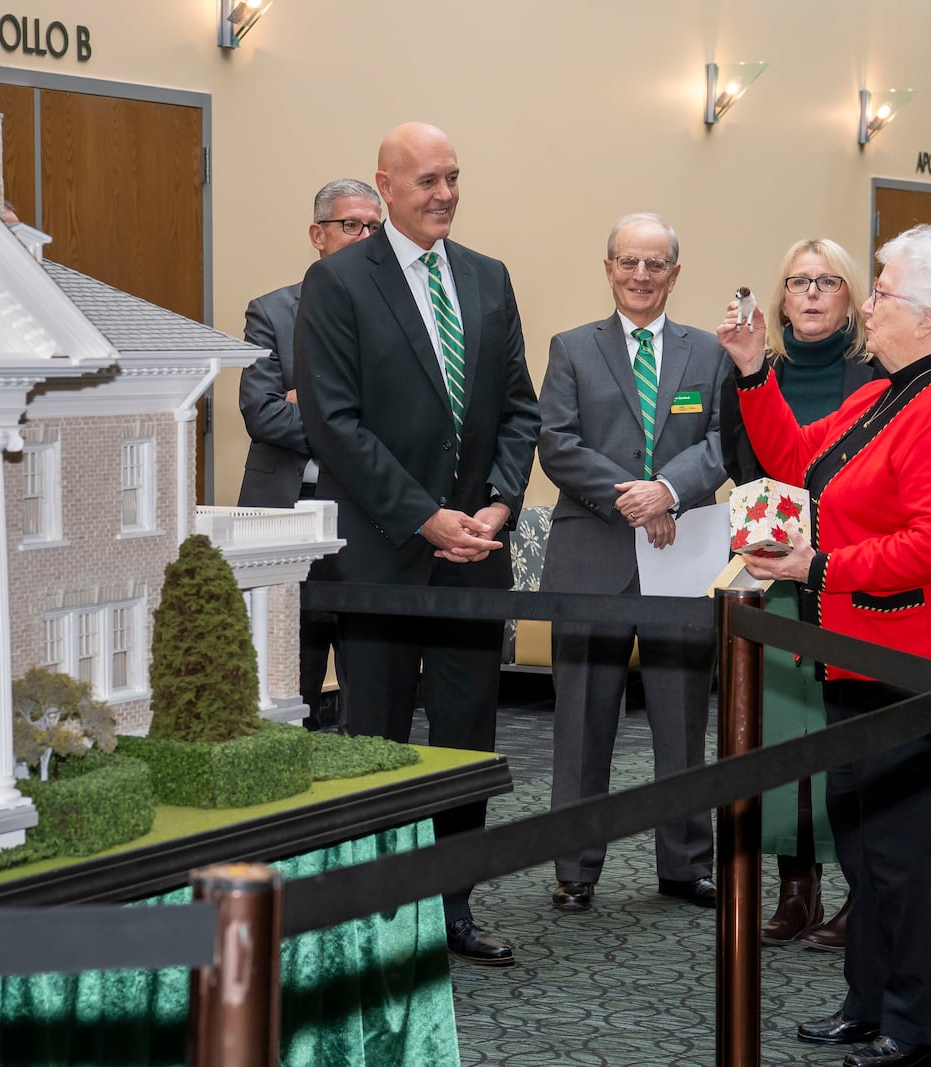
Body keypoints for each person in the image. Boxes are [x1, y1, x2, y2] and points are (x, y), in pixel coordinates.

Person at [717, 224, 931, 1067]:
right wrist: (752, 369)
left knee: (905, 854)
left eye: (881, 289)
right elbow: (797, 458)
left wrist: (822, 563)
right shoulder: (888, 390)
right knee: (863, 839)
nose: (870, 301)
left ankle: (919, 1024)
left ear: (924, 314)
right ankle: (869, 997)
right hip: (862, 652)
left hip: (923, 661)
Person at [293, 123, 540, 967]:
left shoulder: (488, 278)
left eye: (454, 178)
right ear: (386, 184)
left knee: (468, 741)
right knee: (379, 742)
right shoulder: (337, 285)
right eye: (428, 178)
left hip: (479, 555)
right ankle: (381, 916)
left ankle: (451, 908)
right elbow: (335, 423)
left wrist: (499, 508)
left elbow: (518, 410)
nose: (444, 193)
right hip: (382, 560)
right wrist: (424, 516)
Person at [537, 213, 731, 914]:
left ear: (675, 273)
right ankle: (576, 868)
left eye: (655, 265)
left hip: (682, 557)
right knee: (582, 720)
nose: (641, 276)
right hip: (592, 554)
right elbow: (556, 444)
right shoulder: (571, 349)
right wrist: (636, 499)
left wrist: (669, 491)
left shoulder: (709, 354)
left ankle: (686, 865)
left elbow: (722, 442)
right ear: (609, 266)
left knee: (682, 722)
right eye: (629, 263)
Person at [719, 238, 880, 950]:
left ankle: (862, 887)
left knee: (850, 734)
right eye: (797, 282)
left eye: (826, 281)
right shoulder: (755, 374)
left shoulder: (878, 377)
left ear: (850, 296)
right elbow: (738, 459)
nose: (811, 294)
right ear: (781, 300)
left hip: (850, 578)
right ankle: (796, 886)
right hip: (775, 575)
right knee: (781, 734)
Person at [236, 178, 384, 729]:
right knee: (285, 670)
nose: (364, 236)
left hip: (369, 511)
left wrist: (315, 406)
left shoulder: (398, 317)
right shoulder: (271, 313)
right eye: (351, 225)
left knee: (368, 670)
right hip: (287, 513)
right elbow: (263, 413)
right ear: (317, 235)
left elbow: (408, 422)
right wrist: (351, 420)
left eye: (374, 226)